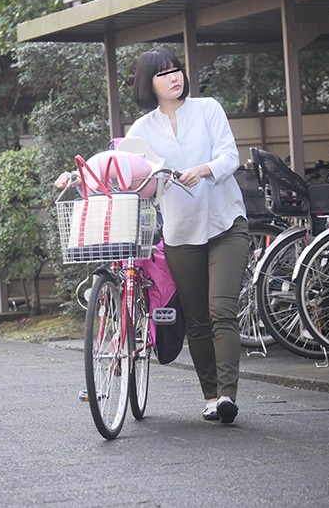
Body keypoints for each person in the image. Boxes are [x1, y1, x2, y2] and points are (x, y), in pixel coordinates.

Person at [124, 47, 249, 424]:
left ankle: (227, 396)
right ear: (149, 84)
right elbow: (123, 170)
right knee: (196, 319)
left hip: (226, 224)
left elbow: (230, 157)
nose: (174, 77)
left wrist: (204, 169)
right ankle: (210, 396)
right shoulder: (141, 130)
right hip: (180, 235)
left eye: (176, 70)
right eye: (163, 74)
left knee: (221, 310)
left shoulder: (208, 108)